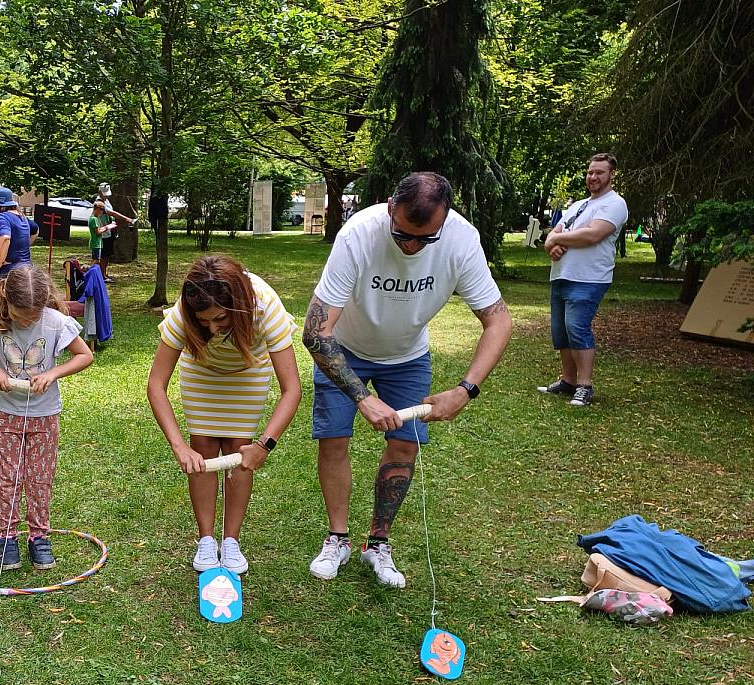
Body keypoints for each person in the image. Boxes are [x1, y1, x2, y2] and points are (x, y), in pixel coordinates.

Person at [302, 172, 512, 587]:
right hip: (343, 349)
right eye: (402, 235)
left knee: (404, 444)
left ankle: (378, 543)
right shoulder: (358, 235)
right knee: (334, 438)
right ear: (389, 208)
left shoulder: (462, 241)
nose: (411, 246)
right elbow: (315, 331)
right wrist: (363, 398)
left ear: (445, 220)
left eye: (425, 239)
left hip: (407, 357)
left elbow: (499, 321)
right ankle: (337, 538)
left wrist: (465, 390)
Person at [147, 255, 301, 574]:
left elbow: (292, 390)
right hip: (201, 372)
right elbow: (156, 385)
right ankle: (206, 540)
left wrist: (264, 445)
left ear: (239, 306)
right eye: (203, 322)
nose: (213, 329)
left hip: (248, 372)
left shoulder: (264, 306)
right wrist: (180, 447)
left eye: (220, 318)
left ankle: (231, 541)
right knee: (202, 446)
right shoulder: (184, 312)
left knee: (239, 451)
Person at [0, 267, 94, 570]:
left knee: (40, 478)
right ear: (7, 300)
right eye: (22, 315)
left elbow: (85, 356)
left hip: (45, 415)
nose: (28, 321)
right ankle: (7, 538)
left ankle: (38, 536)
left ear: (43, 304)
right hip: (8, 414)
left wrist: (53, 373)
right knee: (10, 477)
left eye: (34, 316)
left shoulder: (55, 322)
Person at [538, 153, 628, 408]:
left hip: (589, 278)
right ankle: (568, 381)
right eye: (590, 172)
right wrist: (551, 246)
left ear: (611, 175)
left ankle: (585, 386)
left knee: (577, 328)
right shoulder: (578, 205)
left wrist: (556, 239)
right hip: (561, 275)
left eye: (599, 172)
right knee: (561, 331)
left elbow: (592, 235)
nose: (593, 177)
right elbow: (553, 233)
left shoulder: (615, 203)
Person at [0, 187, 38, 284]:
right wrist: (24, 246)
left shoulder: (3, 217)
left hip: (8, 272)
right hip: (25, 268)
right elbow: (36, 230)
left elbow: (5, 238)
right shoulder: (21, 216)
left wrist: (0, 262)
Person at [95, 182, 134, 283]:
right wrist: (127, 219)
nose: (106, 196)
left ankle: (104, 273)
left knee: (107, 255)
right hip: (103, 232)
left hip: (109, 231)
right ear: (99, 192)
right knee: (103, 255)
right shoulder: (99, 203)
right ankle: (102, 276)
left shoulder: (106, 201)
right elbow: (112, 213)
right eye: (104, 194)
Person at [86, 200, 112, 266]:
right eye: (101, 211)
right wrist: (106, 228)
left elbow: (98, 229)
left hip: (96, 242)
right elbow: (97, 232)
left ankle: (90, 270)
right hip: (96, 243)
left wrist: (105, 227)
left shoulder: (92, 218)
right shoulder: (94, 219)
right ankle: (87, 270)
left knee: (95, 259)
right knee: (97, 260)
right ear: (97, 209)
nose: (102, 213)